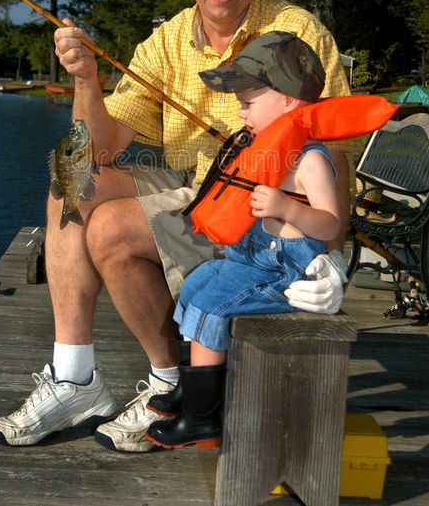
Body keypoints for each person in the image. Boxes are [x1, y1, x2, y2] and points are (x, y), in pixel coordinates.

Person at [0, 0, 351, 452]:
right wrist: (87, 81)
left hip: (264, 219)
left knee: (108, 228)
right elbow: (99, 147)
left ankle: (170, 382)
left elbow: (335, 159)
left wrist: (327, 256)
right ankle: (74, 377)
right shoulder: (164, 43)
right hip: (196, 193)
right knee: (71, 182)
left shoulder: (299, 33)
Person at [145, 31, 341, 450]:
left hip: (281, 274)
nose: (240, 110)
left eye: (248, 102)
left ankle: (202, 417)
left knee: (211, 308)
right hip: (244, 262)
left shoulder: (311, 161)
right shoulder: (261, 149)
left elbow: (328, 224)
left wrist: (288, 210)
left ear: (288, 101)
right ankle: (192, 388)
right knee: (194, 285)